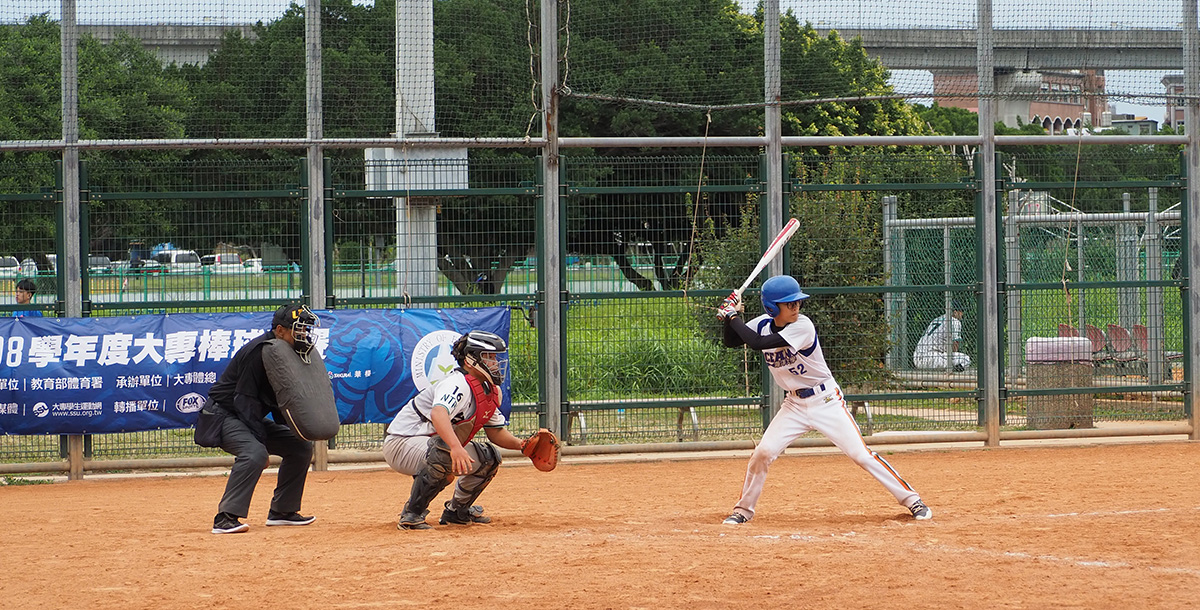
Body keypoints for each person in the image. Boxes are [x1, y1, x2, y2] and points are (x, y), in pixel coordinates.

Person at [716, 275, 931, 525]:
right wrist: (728, 316)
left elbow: (757, 344)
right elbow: (732, 341)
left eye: (797, 302)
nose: (796, 307)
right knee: (763, 452)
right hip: (794, 405)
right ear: (772, 308)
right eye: (789, 304)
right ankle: (743, 510)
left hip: (825, 399)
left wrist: (732, 316)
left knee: (860, 454)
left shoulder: (802, 325)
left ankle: (912, 500)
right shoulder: (762, 324)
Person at [383, 330, 525, 530]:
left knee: (488, 458)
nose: (495, 363)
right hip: (402, 443)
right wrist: (456, 448)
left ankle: (456, 511)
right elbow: (438, 414)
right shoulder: (456, 383)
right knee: (444, 454)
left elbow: (496, 432)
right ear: (471, 360)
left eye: (495, 357)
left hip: (432, 445)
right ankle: (411, 516)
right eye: (489, 357)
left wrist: (523, 445)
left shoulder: (491, 391)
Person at [206, 303, 320, 534]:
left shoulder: (287, 354)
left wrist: (294, 428)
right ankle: (225, 517)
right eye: (298, 330)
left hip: (246, 416)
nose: (304, 335)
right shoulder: (258, 352)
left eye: (306, 331)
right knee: (255, 454)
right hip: (223, 414)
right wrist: (259, 441)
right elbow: (243, 400)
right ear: (280, 331)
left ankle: (282, 512)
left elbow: (280, 400)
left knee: (300, 448)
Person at [913, 301, 971, 372]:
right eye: (961, 312)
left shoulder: (936, 319)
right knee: (965, 359)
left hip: (917, 357)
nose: (962, 315)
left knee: (946, 357)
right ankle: (952, 375)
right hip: (932, 358)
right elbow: (955, 347)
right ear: (955, 312)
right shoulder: (955, 321)